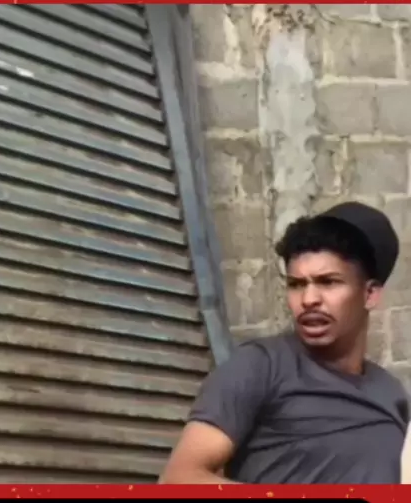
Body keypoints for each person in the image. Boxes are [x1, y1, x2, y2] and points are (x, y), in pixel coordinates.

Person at [159, 201, 410, 484]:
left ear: (370, 294)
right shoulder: (260, 366)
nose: (309, 299)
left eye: (328, 282)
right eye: (296, 284)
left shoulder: (393, 396)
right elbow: (177, 480)